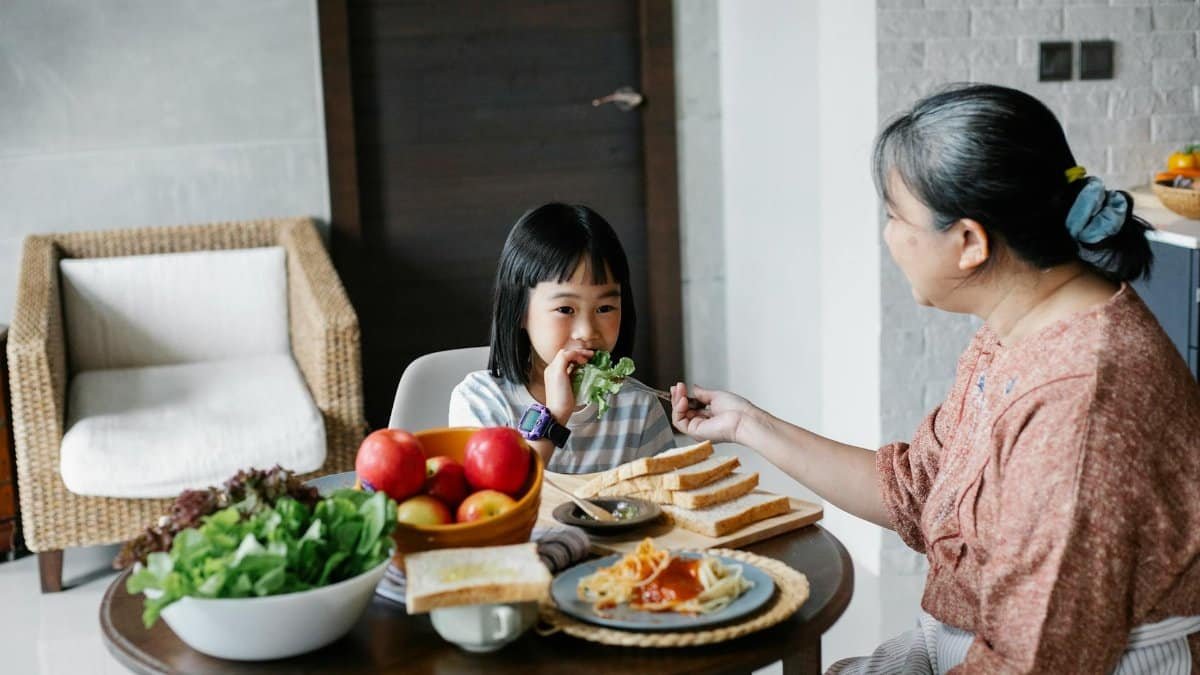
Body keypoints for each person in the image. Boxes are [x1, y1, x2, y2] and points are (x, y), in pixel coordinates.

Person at [670, 84, 1200, 673]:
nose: (888, 235)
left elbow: (1034, 662)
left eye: (896, 216)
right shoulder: (1016, 329)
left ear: (969, 242)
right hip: (960, 643)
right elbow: (918, 490)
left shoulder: (1080, 400)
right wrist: (748, 424)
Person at [450, 202, 675, 473]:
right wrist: (555, 416)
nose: (587, 332)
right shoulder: (481, 400)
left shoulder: (639, 407)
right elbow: (497, 503)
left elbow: (668, 504)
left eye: (605, 308)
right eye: (565, 309)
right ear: (519, 311)